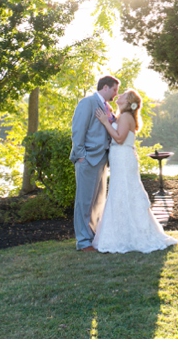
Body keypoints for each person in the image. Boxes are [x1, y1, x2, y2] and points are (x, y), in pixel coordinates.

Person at [92, 88, 178, 253]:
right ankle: (122, 234)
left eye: (123, 95)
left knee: (125, 192)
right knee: (119, 192)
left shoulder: (125, 116)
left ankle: (131, 235)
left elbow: (118, 138)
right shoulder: (121, 116)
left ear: (128, 101)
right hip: (119, 158)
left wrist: (105, 122)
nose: (119, 96)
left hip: (123, 158)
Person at [70, 75, 120, 251]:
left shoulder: (108, 108)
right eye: (115, 89)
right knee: (84, 202)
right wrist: (81, 155)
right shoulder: (87, 103)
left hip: (102, 161)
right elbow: (78, 130)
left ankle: (92, 237)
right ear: (105, 87)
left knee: (97, 202)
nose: (116, 93)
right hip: (88, 159)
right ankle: (83, 241)